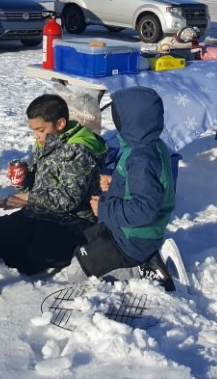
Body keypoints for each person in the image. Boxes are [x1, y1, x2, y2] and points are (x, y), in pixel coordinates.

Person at [72, 87, 178, 288]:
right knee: (84, 237)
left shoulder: (142, 159)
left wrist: (104, 209)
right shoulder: (149, 145)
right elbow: (148, 187)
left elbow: (144, 209)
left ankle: (143, 266)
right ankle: (143, 257)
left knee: (77, 273)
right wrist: (117, 184)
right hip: (130, 231)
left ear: (131, 121)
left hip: (131, 239)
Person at [0, 94, 106, 275]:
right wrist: (25, 180)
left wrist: (29, 198)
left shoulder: (79, 150)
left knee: (35, 258)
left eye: (40, 130)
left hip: (72, 221)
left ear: (60, 124)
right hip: (41, 212)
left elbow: (69, 199)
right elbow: (41, 182)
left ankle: (66, 250)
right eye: (33, 130)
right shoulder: (48, 141)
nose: (36, 136)